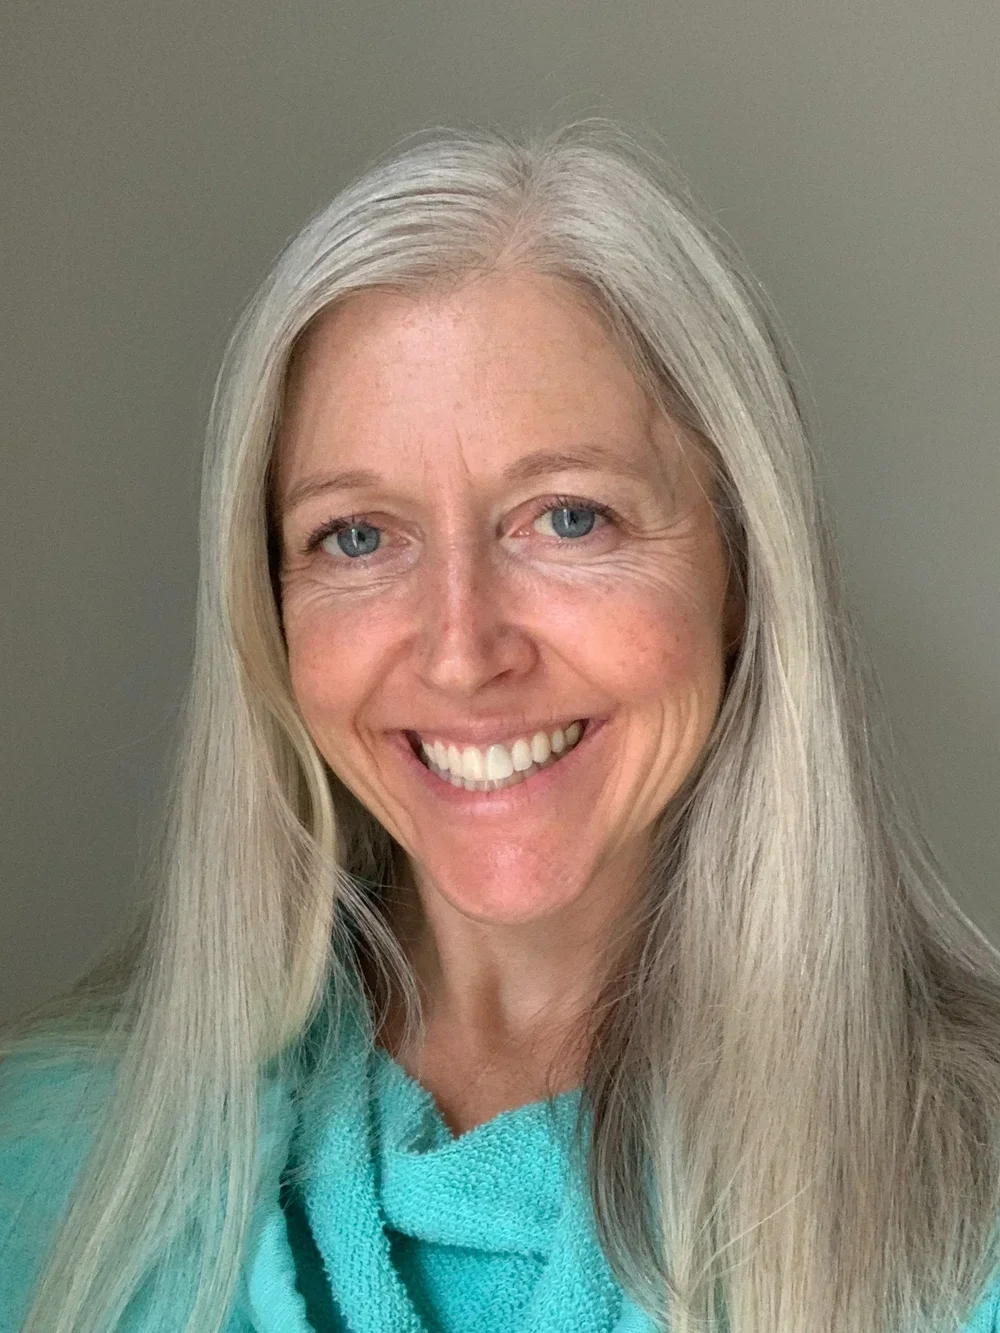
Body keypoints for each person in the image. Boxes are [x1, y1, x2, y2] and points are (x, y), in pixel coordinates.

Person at [2, 121, 1000, 1333]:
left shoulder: (970, 1198)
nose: (464, 650)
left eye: (568, 518)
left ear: (741, 569)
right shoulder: (47, 1165)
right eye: (357, 537)